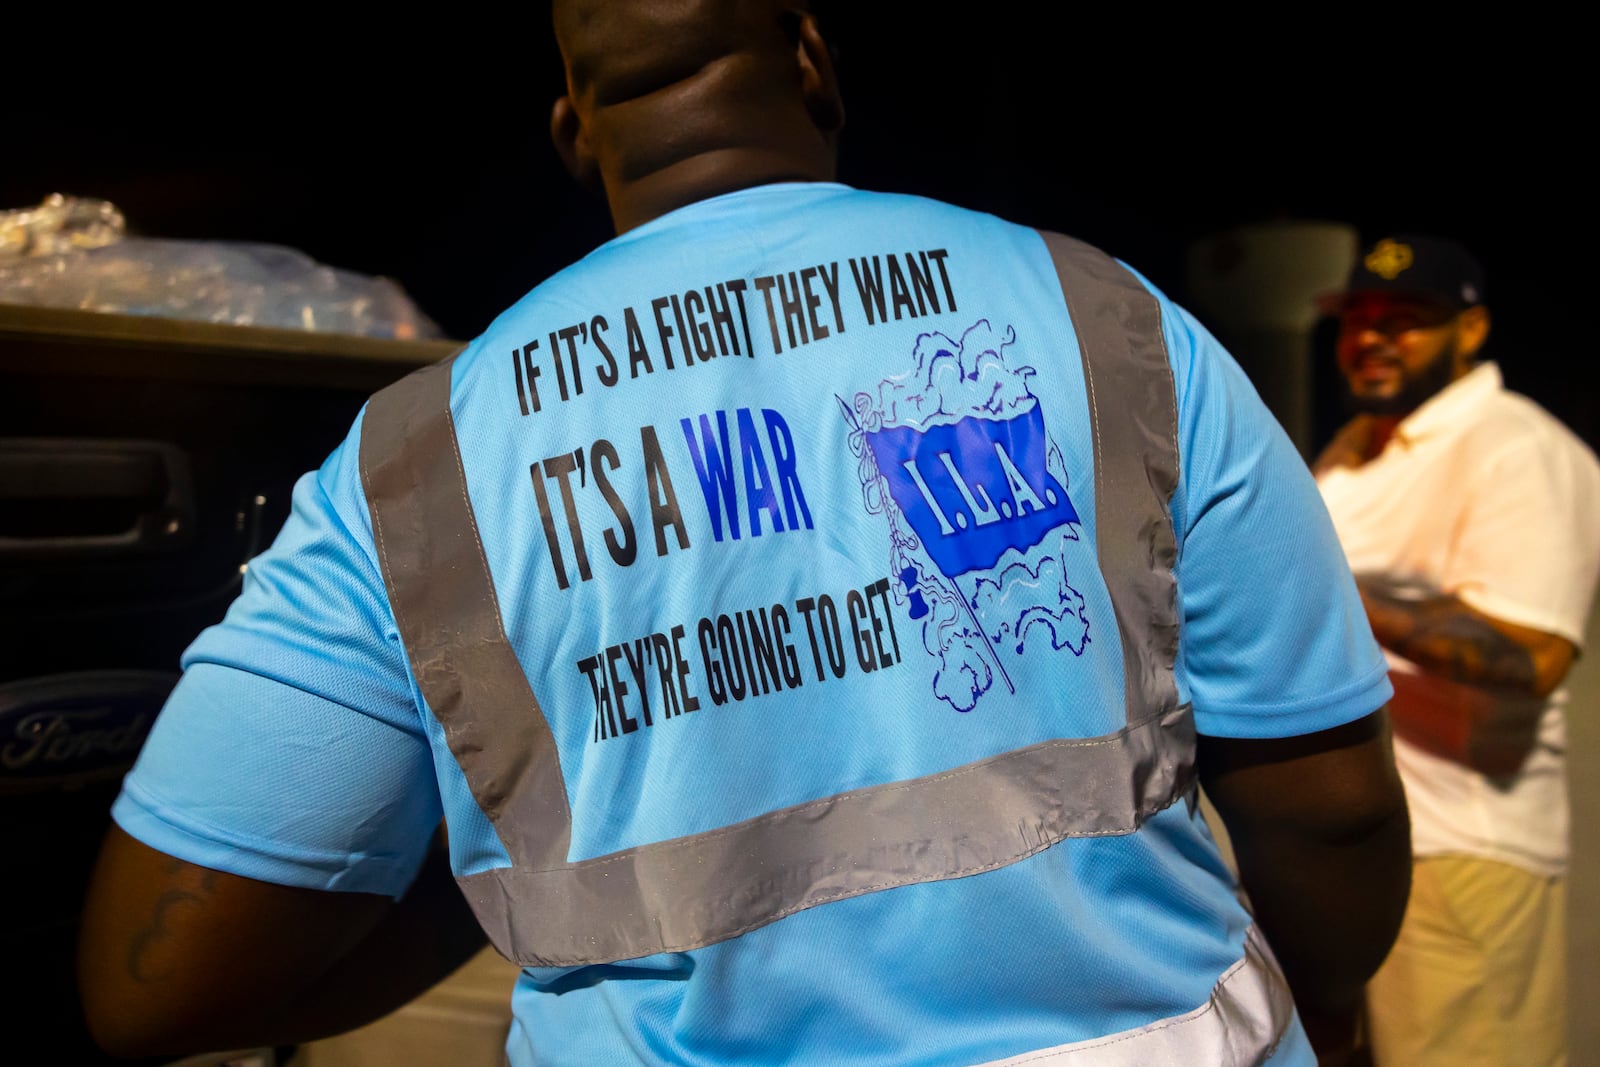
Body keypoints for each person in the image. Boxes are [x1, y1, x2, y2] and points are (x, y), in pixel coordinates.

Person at [77, 4, 1410, 1064]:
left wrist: (521, 859)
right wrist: (1329, 1006)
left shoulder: (422, 457)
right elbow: (1334, 808)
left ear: (572, 130)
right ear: (814, 56)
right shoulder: (1104, 323)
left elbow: (156, 977)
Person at [1314, 234, 1600, 1066]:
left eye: (1404, 320)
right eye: (1357, 318)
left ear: (1470, 332)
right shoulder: (1355, 450)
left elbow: (1531, 654)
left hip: (1460, 854)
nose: (1371, 338)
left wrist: (1332, 604)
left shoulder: (1518, 449)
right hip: (1346, 844)